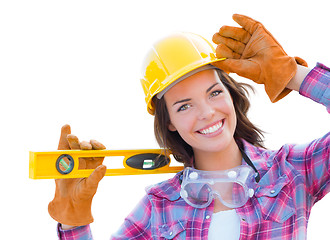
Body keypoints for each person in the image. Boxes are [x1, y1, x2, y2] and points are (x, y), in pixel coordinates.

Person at [50, 14, 329, 239]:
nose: (207, 112)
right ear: (169, 121)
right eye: (184, 106)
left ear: (231, 94)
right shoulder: (159, 207)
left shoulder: (291, 171)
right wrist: (73, 222)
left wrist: (292, 74)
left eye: (215, 93)